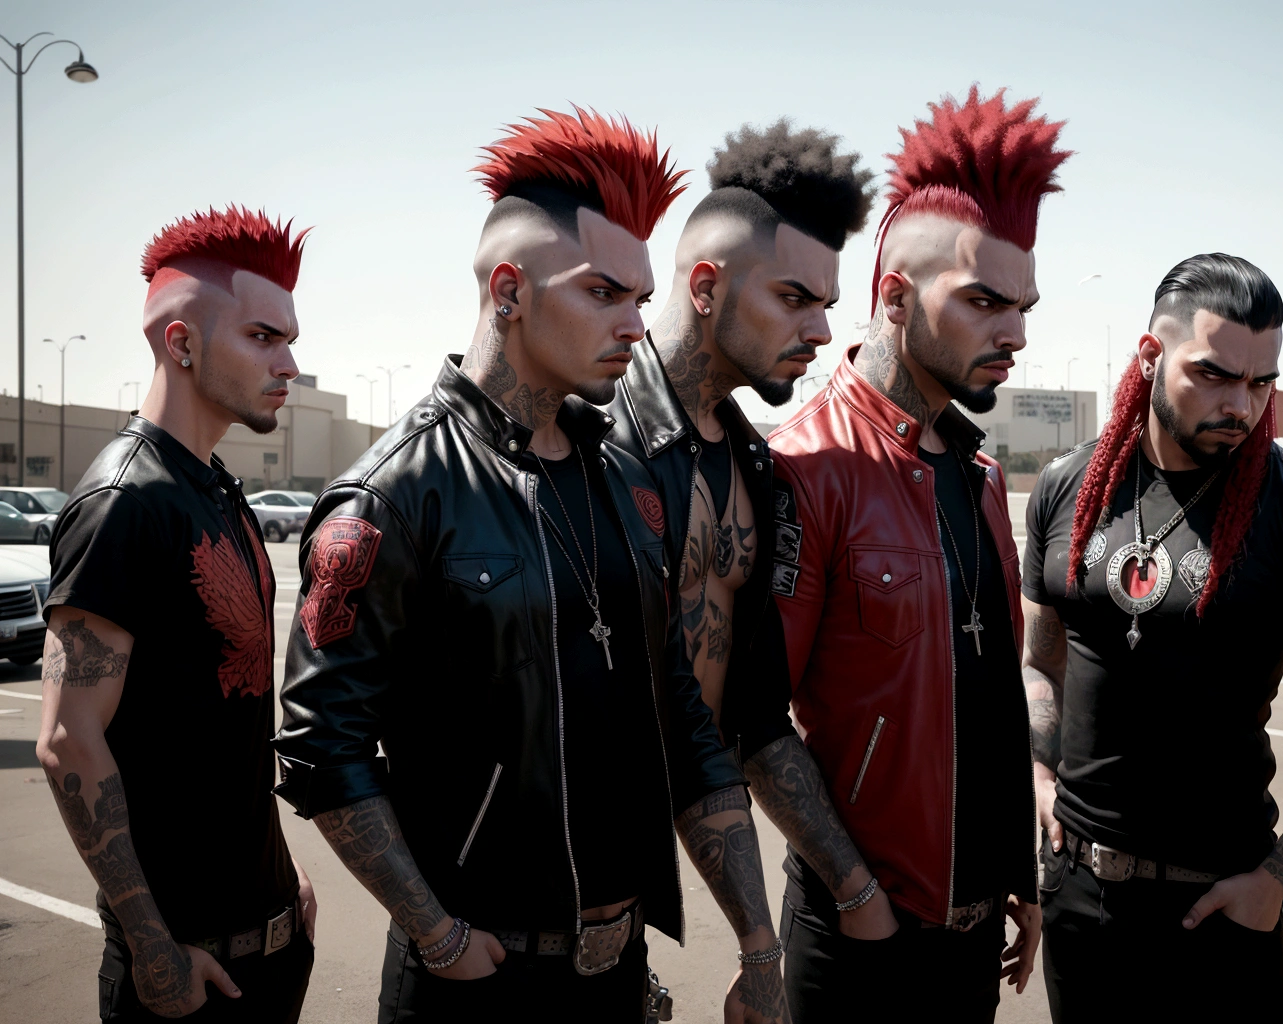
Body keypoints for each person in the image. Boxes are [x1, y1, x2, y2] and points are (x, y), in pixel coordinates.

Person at [272, 108, 787, 1023]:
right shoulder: (394, 494)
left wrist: (756, 940)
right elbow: (323, 748)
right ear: (508, 291)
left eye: (639, 296)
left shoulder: (624, 481)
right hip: (474, 981)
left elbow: (685, 722)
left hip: (619, 973)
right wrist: (436, 934)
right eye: (603, 293)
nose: (636, 324)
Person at [1024, 253, 1283, 1022]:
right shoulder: (1070, 486)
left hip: (1221, 911)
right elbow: (1040, 661)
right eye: (1215, 375)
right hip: (1078, 900)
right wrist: (1038, 775)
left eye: (1261, 381)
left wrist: (1276, 877)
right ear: (1150, 355)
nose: (1242, 404)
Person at [768, 86, 1070, 1022]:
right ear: (894, 296)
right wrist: (855, 894)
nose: (1014, 333)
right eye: (983, 301)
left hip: (976, 929)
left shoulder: (978, 473)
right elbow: (752, 720)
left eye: (1022, 306)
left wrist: (1014, 861)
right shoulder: (805, 466)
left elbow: (987, 688)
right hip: (859, 936)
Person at [606, 118, 903, 944]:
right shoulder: (584, 445)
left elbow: (754, 715)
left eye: (827, 305)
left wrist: (849, 890)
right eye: (794, 298)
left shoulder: (758, 468)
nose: (820, 331)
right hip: (509, 921)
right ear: (706, 287)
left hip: (632, 911)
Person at [36, 206, 317, 1022]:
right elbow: (65, 739)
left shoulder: (216, 487)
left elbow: (223, 727)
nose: (290, 363)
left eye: (289, 339)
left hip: (268, 946)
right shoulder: (125, 503)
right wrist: (152, 944)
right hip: (186, 980)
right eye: (264, 337)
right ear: (182, 343)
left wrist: (281, 876)